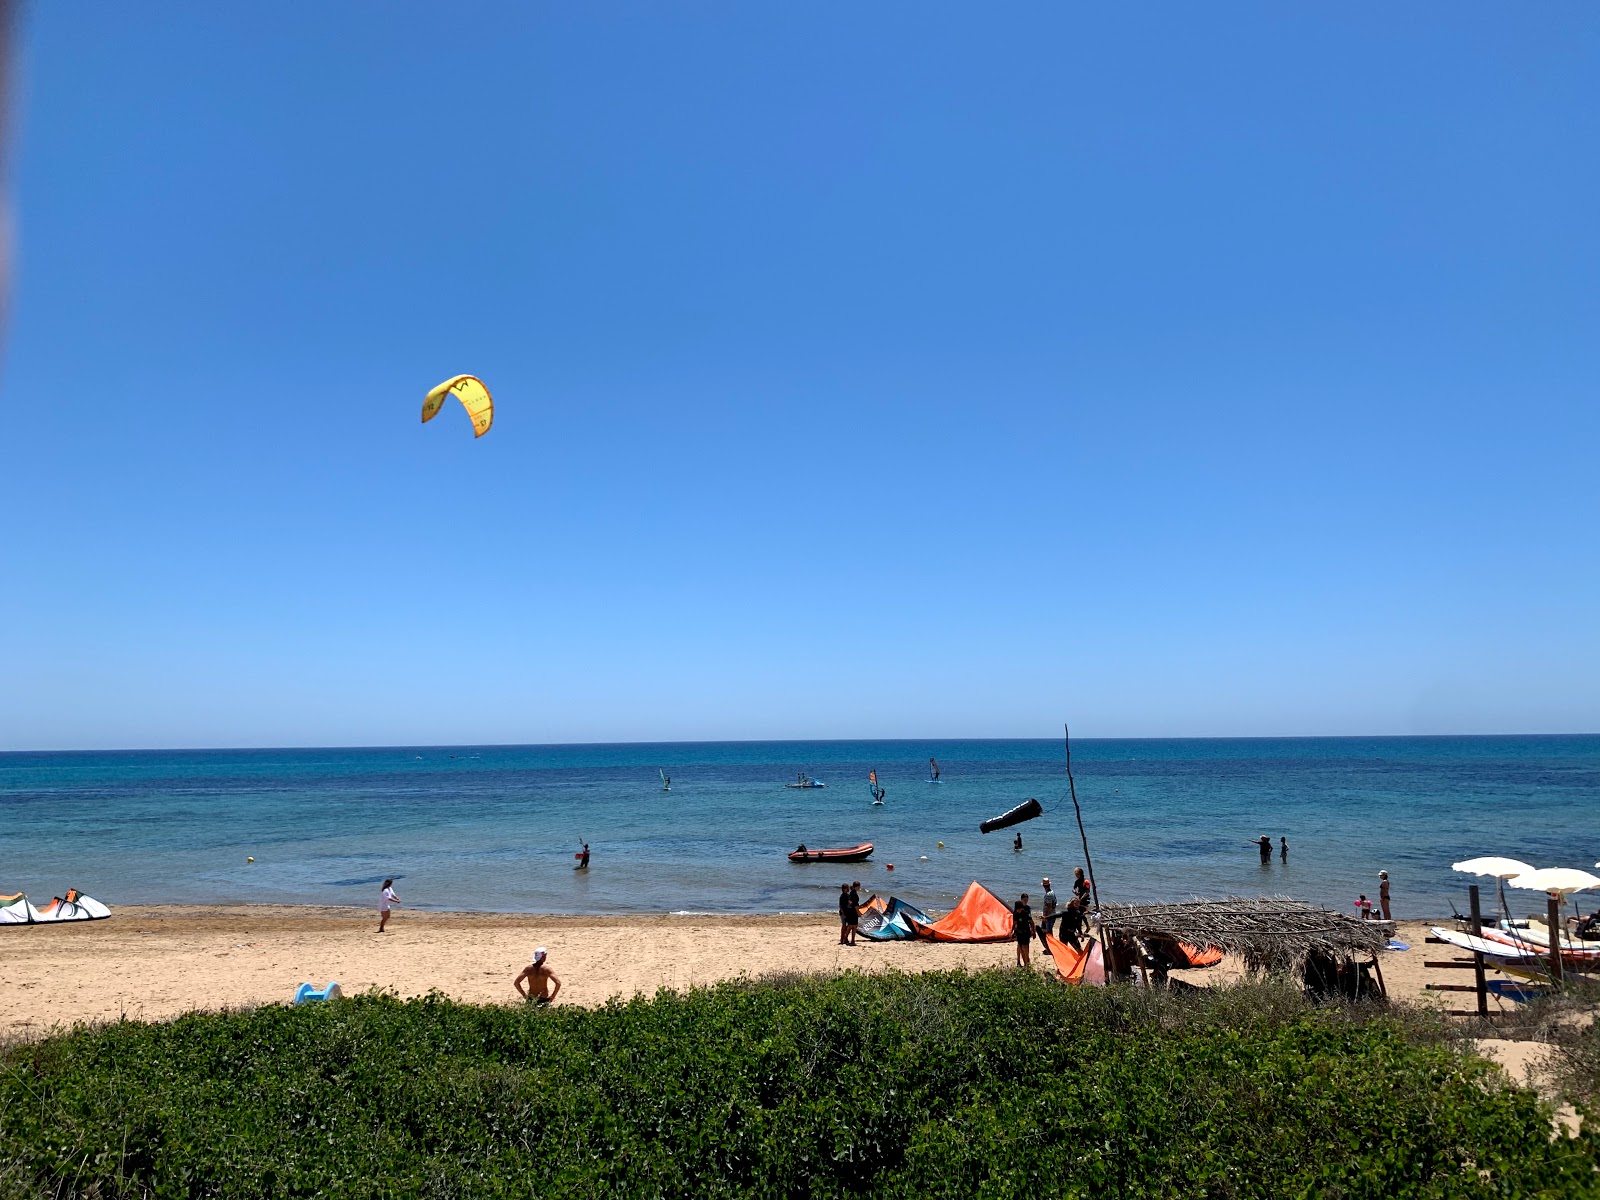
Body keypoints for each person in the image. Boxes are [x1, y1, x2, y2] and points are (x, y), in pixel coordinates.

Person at [1013, 893, 1034, 967]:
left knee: (1026, 946)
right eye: (1024, 900)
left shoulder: (1028, 908)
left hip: (1026, 928)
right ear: (1021, 899)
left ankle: (1026, 961)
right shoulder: (1017, 907)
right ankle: (1018, 960)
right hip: (1019, 929)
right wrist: (1014, 930)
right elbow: (1015, 920)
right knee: (1019, 946)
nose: (1026, 901)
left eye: (1027, 899)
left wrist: (1032, 930)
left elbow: (1030, 920)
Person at [1038, 877, 1058, 945]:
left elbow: (1049, 907)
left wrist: (1046, 917)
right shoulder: (1051, 892)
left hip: (1049, 916)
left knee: (1048, 932)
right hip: (1051, 915)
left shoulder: (1048, 895)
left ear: (1043, 886)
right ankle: (1048, 945)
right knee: (1044, 930)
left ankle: (1051, 946)